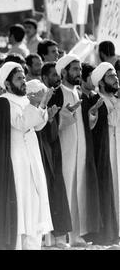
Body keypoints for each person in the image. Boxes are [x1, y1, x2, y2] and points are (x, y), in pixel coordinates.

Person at [0, 62, 53, 250]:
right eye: (18, 79)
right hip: (15, 161)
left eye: (24, 77)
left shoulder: (24, 100)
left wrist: (42, 105)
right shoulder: (4, 101)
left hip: (31, 158)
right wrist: (38, 104)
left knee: (33, 204)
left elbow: (38, 125)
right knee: (20, 206)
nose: (24, 82)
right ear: (7, 84)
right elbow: (21, 123)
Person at [48, 54, 102, 247]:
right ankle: (61, 236)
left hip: (81, 149)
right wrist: (67, 114)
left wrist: (91, 115)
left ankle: (77, 234)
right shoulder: (57, 93)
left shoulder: (79, 93)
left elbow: (83, 123)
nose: (79, 73)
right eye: (75, 69)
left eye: (79, 69)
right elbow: (51, 122)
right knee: (65, 190)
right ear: (63, 72)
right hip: (63, 149)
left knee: (78, 189)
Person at [36, 65, 73, 248]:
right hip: (39, 153)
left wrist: (52, 120)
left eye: (58, 75)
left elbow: (52, 133)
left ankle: (59, 236)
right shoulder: (37, 94)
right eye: (53, 75)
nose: (57, 79)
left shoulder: (55, 97)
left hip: (52, 152)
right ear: (44, 77)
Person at [89, 62, 120, 245]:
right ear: (100, 82)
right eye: (111, 76)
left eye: (115, 75)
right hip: (107, 152)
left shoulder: (115, 99)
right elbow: (111, 121)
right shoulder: (96, 99)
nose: (115, 79)